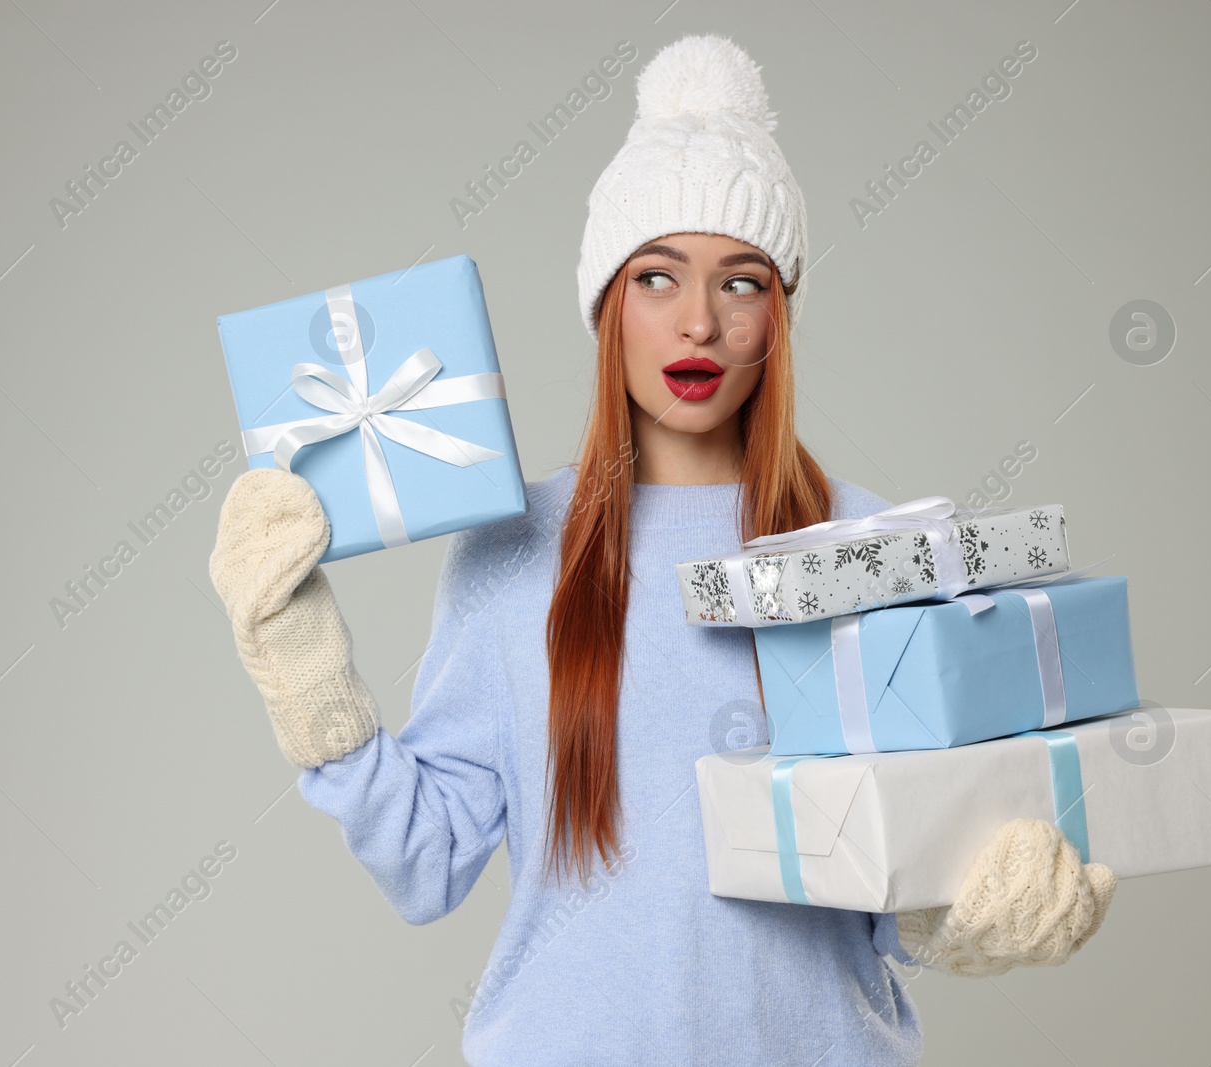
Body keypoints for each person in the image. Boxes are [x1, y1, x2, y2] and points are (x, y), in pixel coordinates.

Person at [208, 34, 1115, 1066]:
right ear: (606, 309)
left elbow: (889, 874)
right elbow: (425, 863)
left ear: (781, 314)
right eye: (656, 277)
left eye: (741, 282)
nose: (697, 322)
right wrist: (305, 672)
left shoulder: (878, 550)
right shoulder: (511, 554)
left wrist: (966, 912)